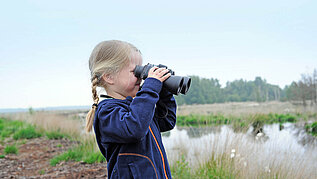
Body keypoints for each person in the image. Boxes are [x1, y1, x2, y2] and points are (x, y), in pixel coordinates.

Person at [85, 40, 177, 179]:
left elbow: (167, 121)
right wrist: (150, 88)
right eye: (135, 71)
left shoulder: (138, 109)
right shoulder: (107, 112)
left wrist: (163, 91)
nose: (141, 77)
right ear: (109, 76)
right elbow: (134, 128)